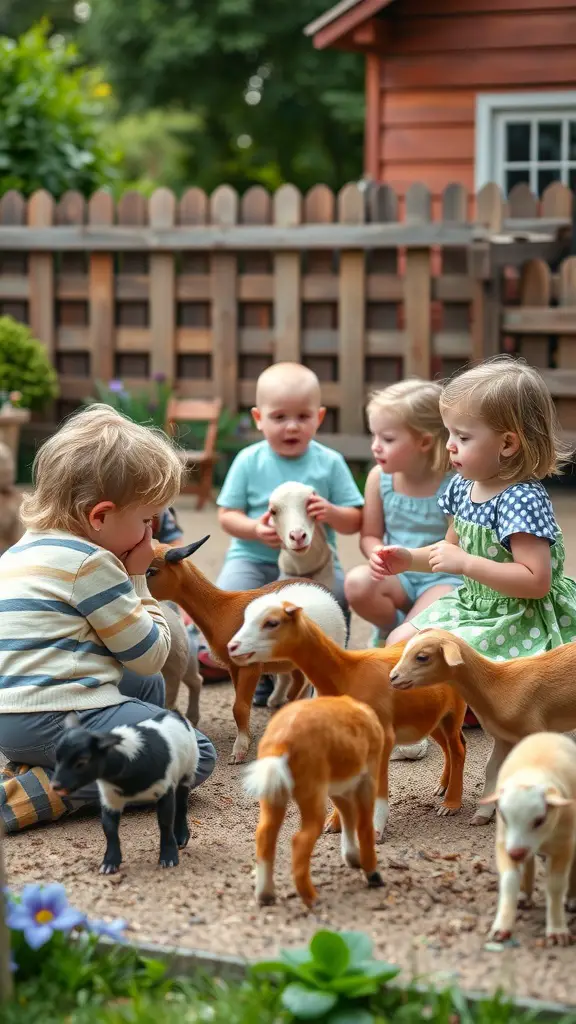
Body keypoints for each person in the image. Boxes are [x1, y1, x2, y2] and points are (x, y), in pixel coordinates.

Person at [0, 404, 216, 833]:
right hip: (54, 714)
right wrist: (137, 576)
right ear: (100, 517)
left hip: (11, 717)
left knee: (146, 689)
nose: (149, 536)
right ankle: (35, 793)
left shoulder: (20, 552)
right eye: (145, 521)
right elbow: (152, 654)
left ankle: (66, 757)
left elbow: (141, 674)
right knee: (193, 752)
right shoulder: (93, 563)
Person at [375, 357, 576, 660]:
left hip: (519, 617)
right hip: (474, 604)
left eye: (463, 437)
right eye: (449, 433)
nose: (449, 445)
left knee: (448, 661)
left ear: (507, 444)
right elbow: (448, 550)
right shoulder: (462, 486)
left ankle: (463, 707)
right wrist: (407, 559)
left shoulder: (521, 500)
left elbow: (536, 581)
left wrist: (466, 564)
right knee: (399, 643)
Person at [200, 362, 364, 705]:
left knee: (338, 598)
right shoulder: (248, 461)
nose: (291, 426)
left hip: (311, 566)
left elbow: (353, 520)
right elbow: (227, 515)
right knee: (230, 598)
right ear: (259, 418)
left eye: (303, 417)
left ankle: (331, 663)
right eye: (279, 417)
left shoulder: (329, 462)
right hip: (253, 557)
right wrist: (256, 530)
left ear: (319, 418)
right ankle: (257, 668)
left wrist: (331, 512)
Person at [345, 379, 462, 760]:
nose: (376, 445)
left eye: (388, 438)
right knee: (359, 582)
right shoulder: (380, 478)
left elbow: (451, 548)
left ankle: (410, 723)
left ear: (425, 442)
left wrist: (404, 555)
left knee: (405, 642)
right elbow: (369, 535)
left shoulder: (455, 484)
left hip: (443, 577)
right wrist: (376, 553)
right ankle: (389, 634)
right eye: (374, 435)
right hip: (399, 575)